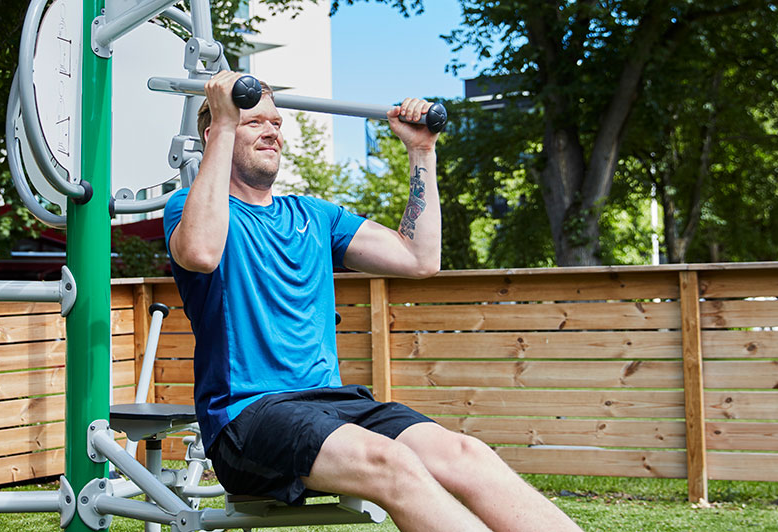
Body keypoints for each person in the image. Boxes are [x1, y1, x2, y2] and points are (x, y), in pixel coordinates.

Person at [163, 71, 582, 532]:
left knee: (467, 454)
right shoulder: (189, 207)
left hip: (332, 404)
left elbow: (419, 258)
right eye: (254, 122)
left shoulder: (314, 216)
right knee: (392, 461)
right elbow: (201, 253)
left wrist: (422, 151)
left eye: (277, 123)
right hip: (249, 419)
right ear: (215, 130)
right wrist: (223, 123)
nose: (272, 131)